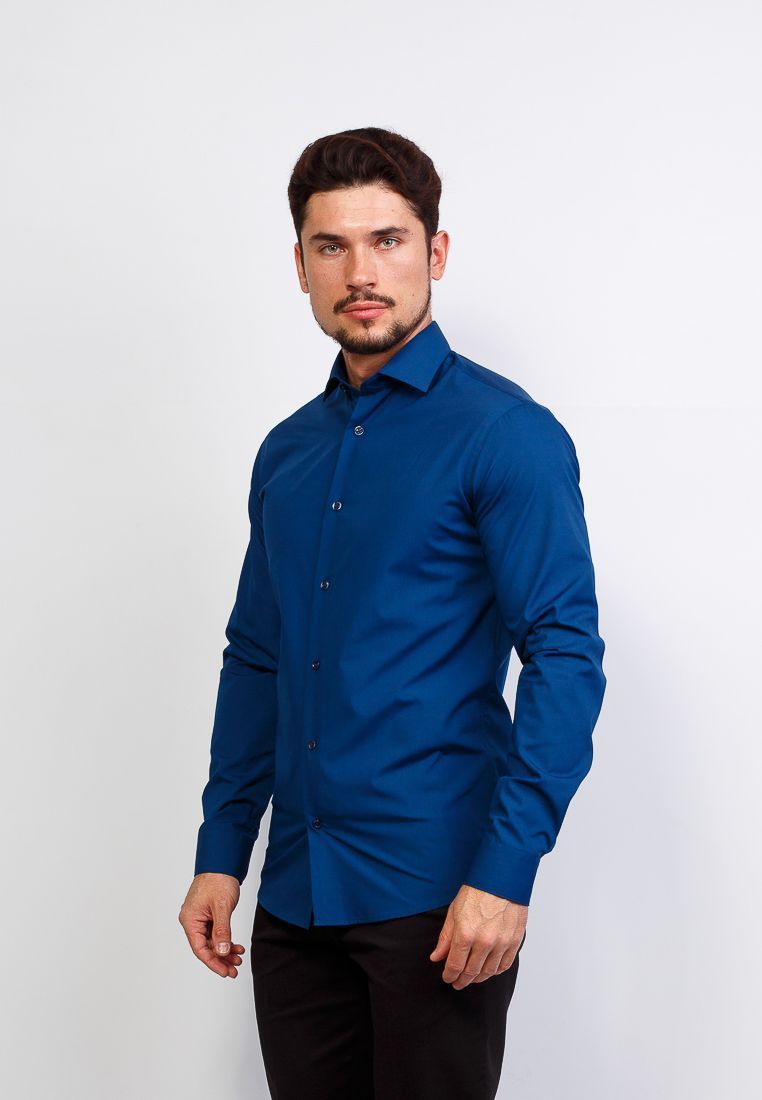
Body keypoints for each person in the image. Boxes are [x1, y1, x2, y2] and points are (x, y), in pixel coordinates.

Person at [178, 126, 607, 1099]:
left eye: (388, 240)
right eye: (331, 246)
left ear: (435, 252)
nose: (361, 272)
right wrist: (222, 852)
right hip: (296, 894)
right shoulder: (287, 452)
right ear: (301, 266)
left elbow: (564, 654)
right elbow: (257, 657)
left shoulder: (505, 434)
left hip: (440, 898)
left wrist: (505, 871)